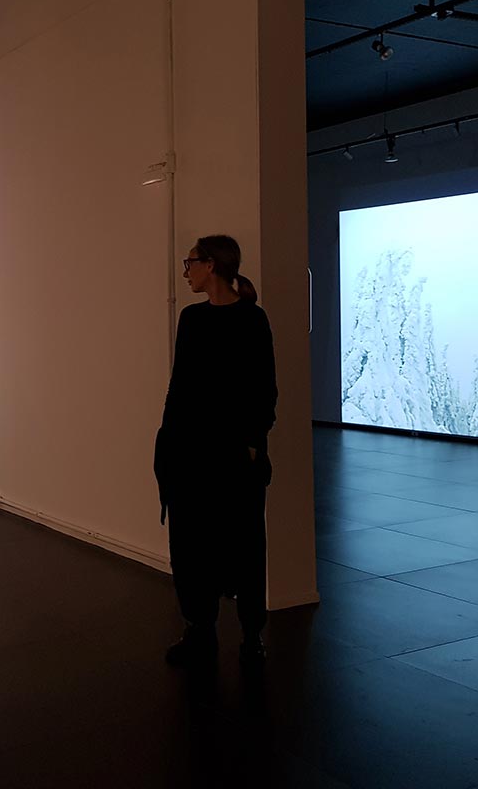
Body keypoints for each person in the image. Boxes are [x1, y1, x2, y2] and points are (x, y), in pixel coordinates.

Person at [154, 234, 277, 668]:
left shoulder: (252, 320)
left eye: (190, 263)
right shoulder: (191, 318)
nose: (185, 271)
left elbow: (264, 390)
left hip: (232, 456)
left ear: (210, 265)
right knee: (190, 545)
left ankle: (250, 634)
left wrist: (250, 444)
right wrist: (167, 441)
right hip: (189, 452)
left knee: (244, 544)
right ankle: (199, 630)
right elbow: (180, 385)